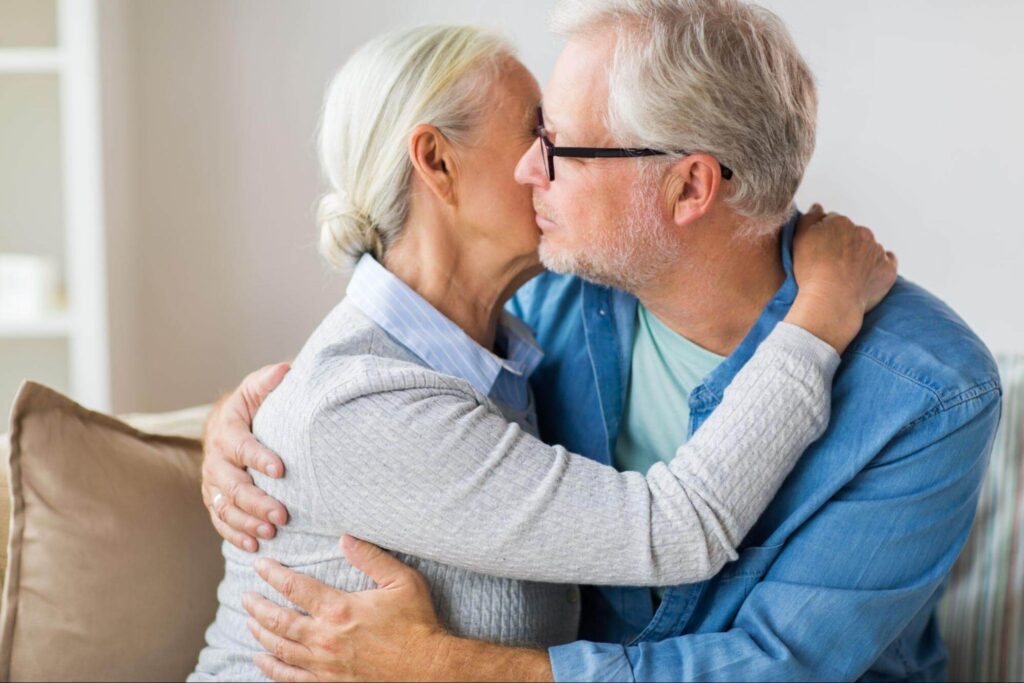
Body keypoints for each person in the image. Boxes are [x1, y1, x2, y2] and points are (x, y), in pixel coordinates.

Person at [204, 1, 1001, 681]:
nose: (530, 173)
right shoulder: (553, 298)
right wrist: (242, 420)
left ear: (689, 185)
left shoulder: (928, 392)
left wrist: (449, 664)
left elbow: (775, 664)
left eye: (558, 144)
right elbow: (362, 408)